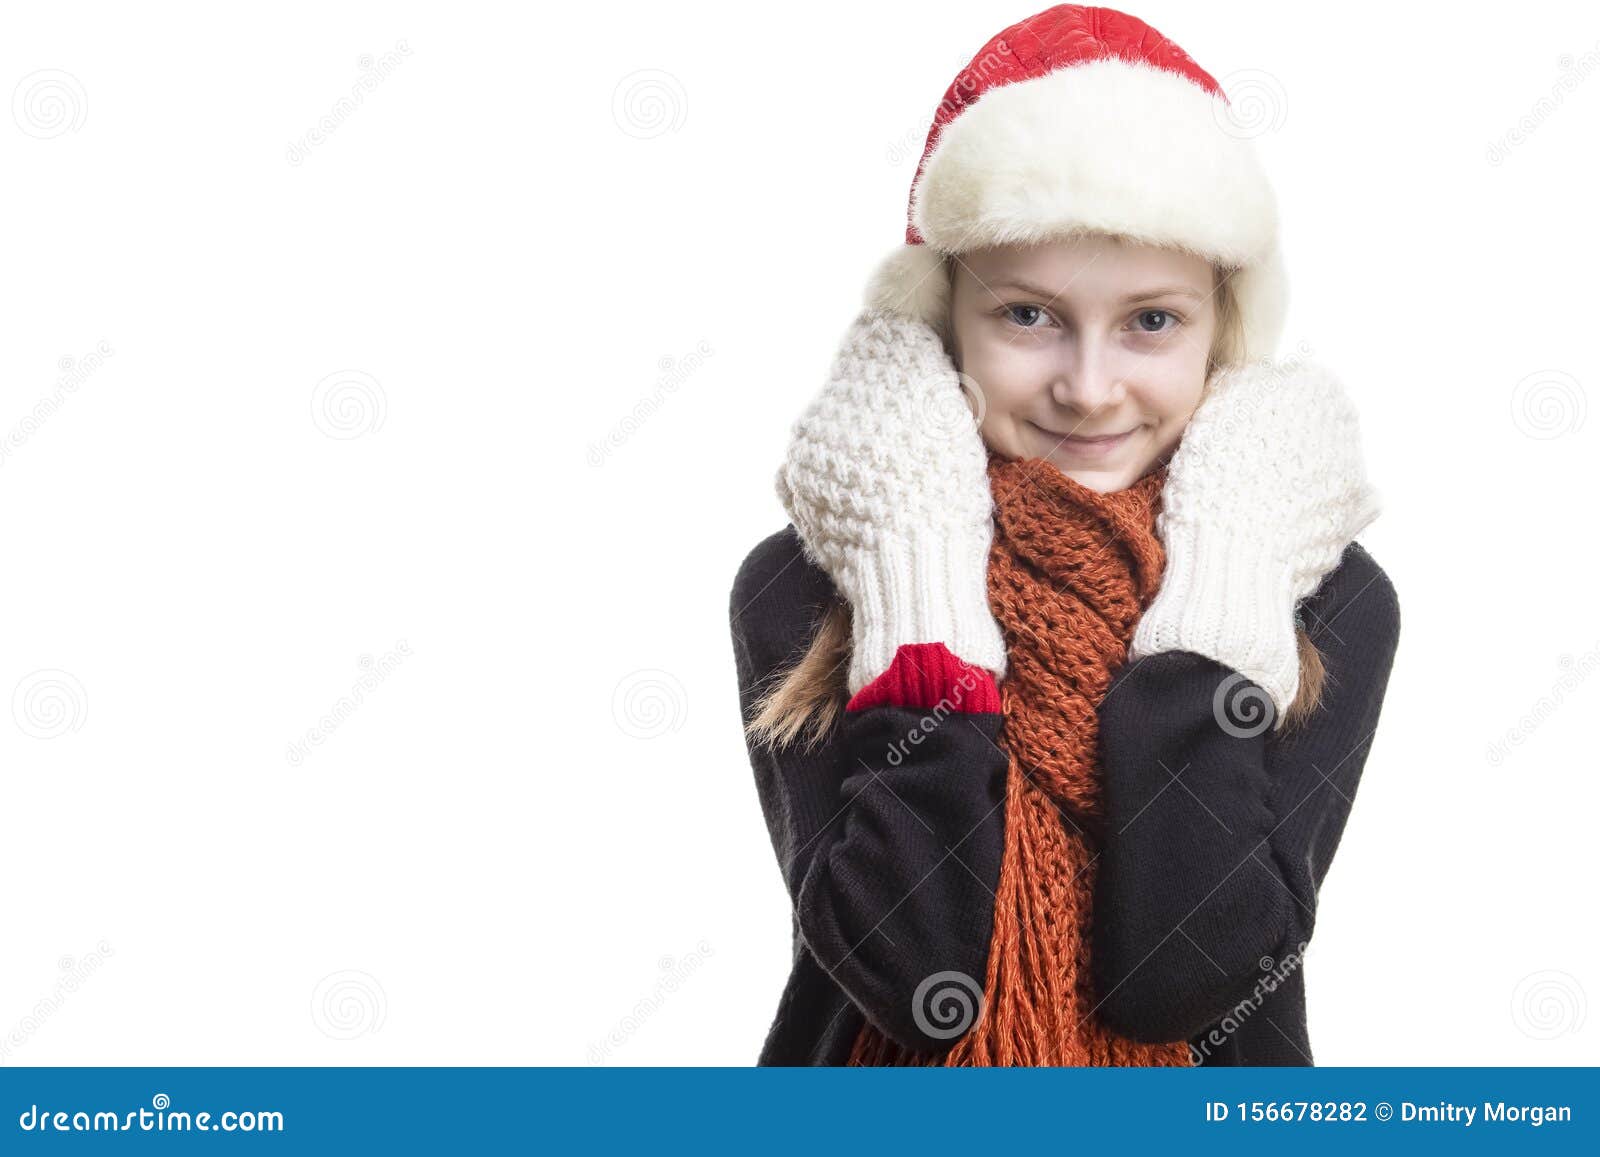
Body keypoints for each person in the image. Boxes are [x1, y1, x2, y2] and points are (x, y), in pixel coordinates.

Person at [729, 4, 1401, 1066]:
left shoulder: (1318, 589)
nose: (1089, 390)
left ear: (1220, 324)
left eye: (1151, 319)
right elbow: (915, 975)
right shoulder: (812, 576)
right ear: (944, 315)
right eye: (1028, 315)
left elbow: (1182, 974)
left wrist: (1221, 598)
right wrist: (918, 583)